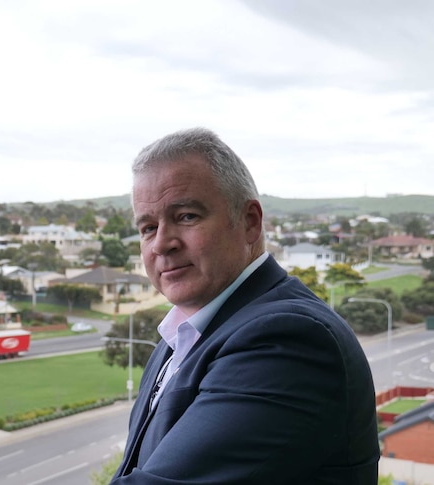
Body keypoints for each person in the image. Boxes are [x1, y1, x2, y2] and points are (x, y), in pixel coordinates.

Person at [112, 128, 379, 484]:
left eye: (187, 216)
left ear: (250, 222)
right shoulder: (182, 335)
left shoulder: (287, 339)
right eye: (147, 227)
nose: (162, 244)